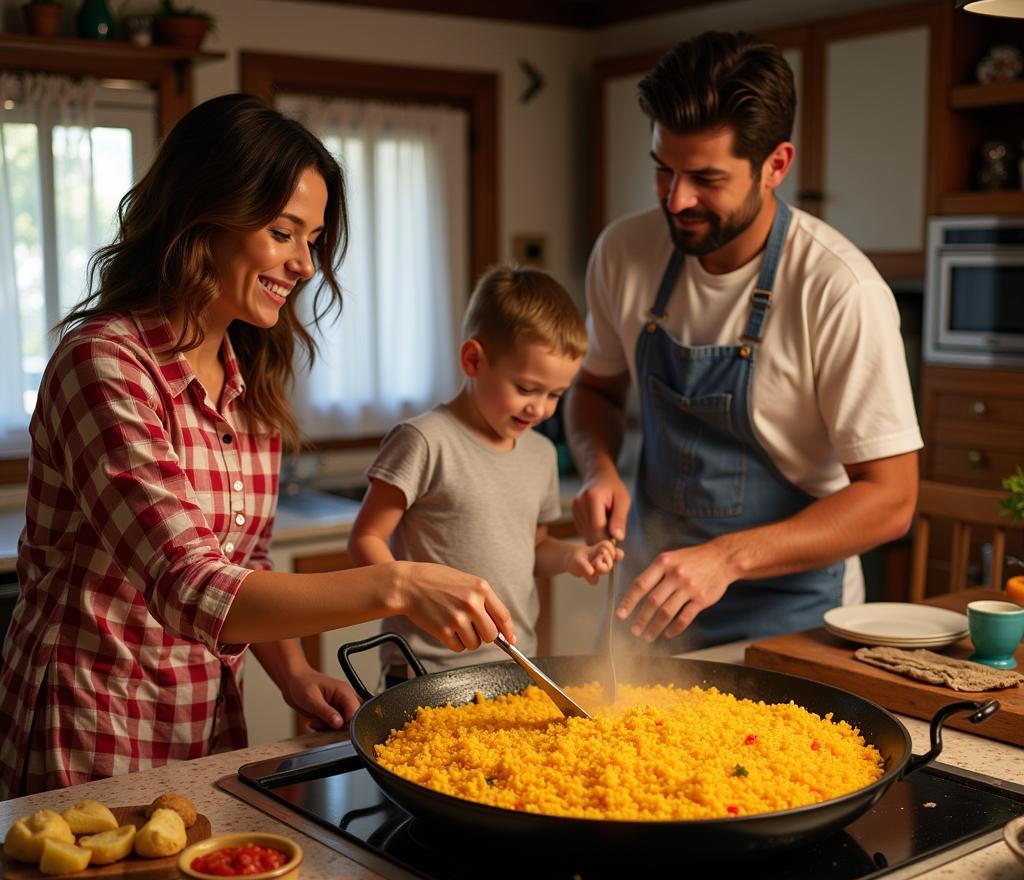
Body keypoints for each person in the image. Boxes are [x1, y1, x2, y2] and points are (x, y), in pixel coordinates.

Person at [0, 94, 514, 800]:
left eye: (313, 239)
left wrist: (295, 674)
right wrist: (398, 583)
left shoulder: (250, 378)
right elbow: (194, 587)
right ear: (203, 215)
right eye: (283, 232)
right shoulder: (105, 364)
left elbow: (241, 564)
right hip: (93, 723)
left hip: (206, 725)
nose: (304, 264)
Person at [566, 31, 922, 652]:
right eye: (663, 171)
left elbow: (890, 500)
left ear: (775, 165)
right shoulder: (623, 252)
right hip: (649, 611)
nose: (677, 200)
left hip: (794, 623)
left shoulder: (839, 290)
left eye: (706, 178)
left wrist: (726, 558)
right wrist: (599, 468)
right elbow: (595, 388)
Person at [348, 265, 620, 682]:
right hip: (425, 667)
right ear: (474, 360)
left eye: (556, 395)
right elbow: (364, 538)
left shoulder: (542, 453)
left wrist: (574, 557)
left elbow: (535, 549)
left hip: (515, 666)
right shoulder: (424, 440)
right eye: (527, 389)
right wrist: (409, 597)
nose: (541, 409)